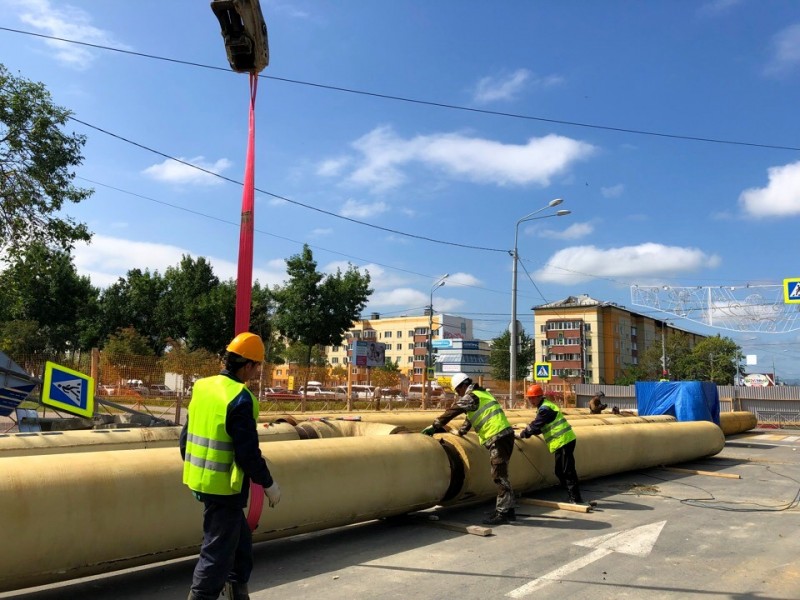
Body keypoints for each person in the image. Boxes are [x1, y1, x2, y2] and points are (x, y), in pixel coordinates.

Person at [180, 332, 282, 600]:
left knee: (240, 545)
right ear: (247, 365)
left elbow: (185, 439)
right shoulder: (239, 397)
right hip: (225, 488)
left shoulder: (203, 387)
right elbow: (247, 453)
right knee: (216, 553)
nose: (257, 372)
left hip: (202, 480)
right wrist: (268, 483)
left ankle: (238, 592)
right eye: (257, 366)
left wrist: (198, 469)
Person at [425, 372, 516, 525]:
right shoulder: (482, 395)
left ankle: (503, 513)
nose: (458, 394)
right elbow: (471, 417)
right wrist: (461, 432)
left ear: (463, 386)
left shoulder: (471, 396)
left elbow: (453, 410)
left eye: (457, 391)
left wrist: (435, 426)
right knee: (502, 474)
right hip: (503, 436)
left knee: (499, 476)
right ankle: (508, 509)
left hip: (498, 437)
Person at [517, 384, 587, 505]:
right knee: (559, 471)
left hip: (564, 440)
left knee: (567, 470)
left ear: (539, 397)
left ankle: (575, 498)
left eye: (533, 398)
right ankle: (570, 493)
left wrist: (522, 434)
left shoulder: (545, 409)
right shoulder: (543, 408)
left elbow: (536, 425)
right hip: (560, 442)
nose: (530, 400)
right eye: (529, 398)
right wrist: (528, 432)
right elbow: (541, 427)